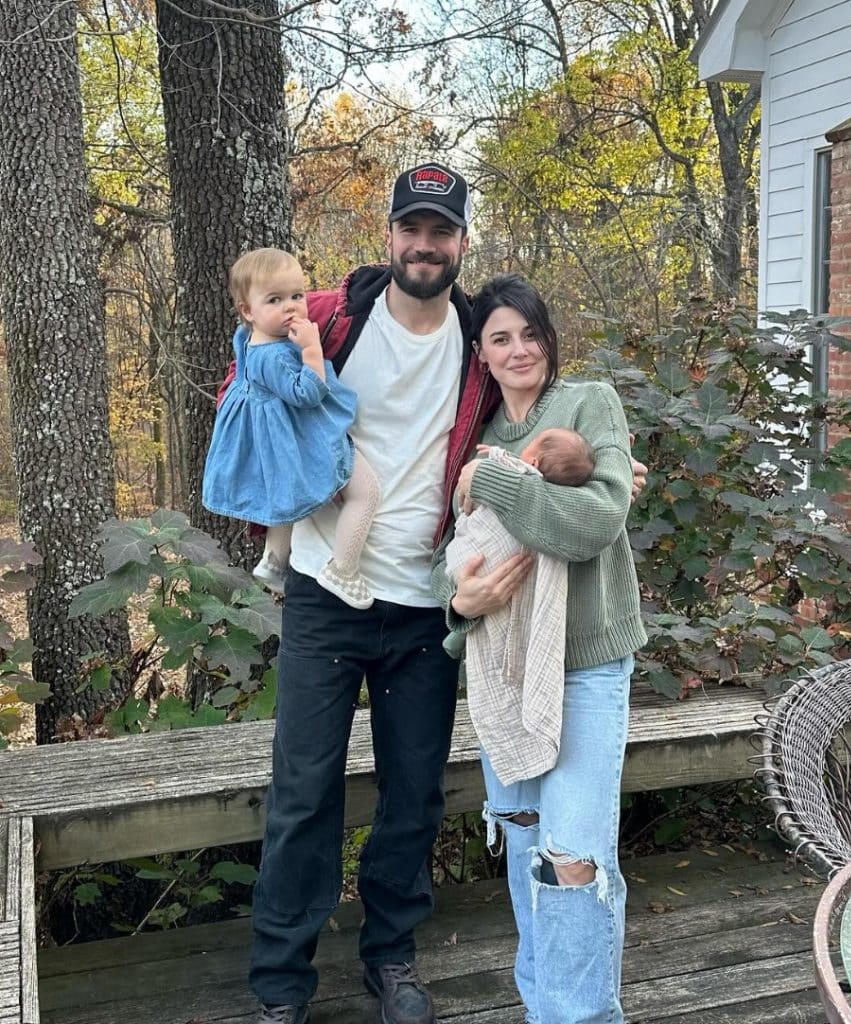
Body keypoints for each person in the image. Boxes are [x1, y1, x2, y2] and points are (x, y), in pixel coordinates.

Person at [230, 164, 648, 1024]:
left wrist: (614, 472)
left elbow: (542, 425)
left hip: (426, 605)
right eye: (411, 229)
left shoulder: (475, 341)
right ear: (388, 236)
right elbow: (249, 399)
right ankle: (280, 984)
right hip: (322, 588)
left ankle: (393, 958)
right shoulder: (327, 320)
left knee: (413, 791)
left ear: (461, 242)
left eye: (442, 231)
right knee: (303, 789)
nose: (425, 245)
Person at [432, 273, 649, 1024]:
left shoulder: (589, 404)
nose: (519, 349)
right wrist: (460, 604)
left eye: (530, 333)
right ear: (481, 355)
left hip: (585, 667)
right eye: (501, 338)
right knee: (528, 851)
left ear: (548, 341)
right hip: (504, 671)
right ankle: (549, 1009)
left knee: (572, 858)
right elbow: (450, 559)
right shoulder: (477, 435)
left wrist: (494, 481)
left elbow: (597, 519)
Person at [202, 248, 381, 609]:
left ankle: (273, 559)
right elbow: (308, 392)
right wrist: (312, 350)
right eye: (275, 300)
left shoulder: (249, 339)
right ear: (247, 310)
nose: (292, 308)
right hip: (300, 440)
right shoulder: (276, 356)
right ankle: (343, 569)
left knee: (285, 499)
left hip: (278, 444)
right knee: (366, 492)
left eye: (297, 296)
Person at [441, 428, 596, 789]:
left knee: (472, 570)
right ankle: (459, 622)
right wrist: (459, 600)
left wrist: (490, 461)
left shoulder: (524, 474)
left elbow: (507, 469)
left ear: (535, 461)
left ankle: (456, 633)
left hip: (490, 555)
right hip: (480, 580)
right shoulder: (483, 418)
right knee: (480, 595)